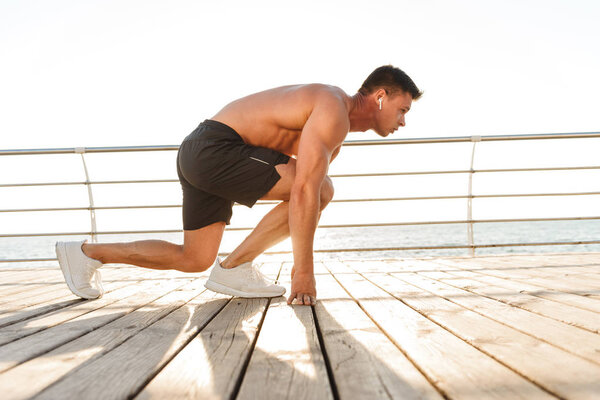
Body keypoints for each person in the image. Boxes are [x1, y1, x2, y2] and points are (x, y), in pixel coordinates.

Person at [55, 65, 422, 306]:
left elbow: (301, 190)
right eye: (403, 110)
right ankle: (234, 266)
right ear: (380, 97)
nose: (403, 121)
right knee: (320, 189)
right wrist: (304, 275)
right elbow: (306, 192)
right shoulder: (332, 108)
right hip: (216, 148)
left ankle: (86, 254)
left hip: (201, 153)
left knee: (194, 258)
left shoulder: (334, 125)